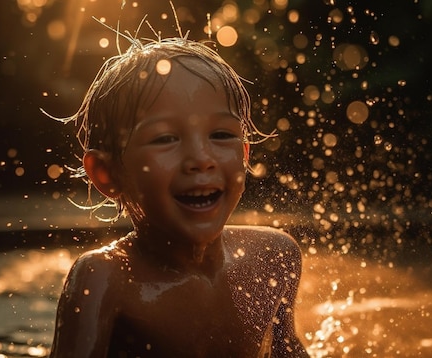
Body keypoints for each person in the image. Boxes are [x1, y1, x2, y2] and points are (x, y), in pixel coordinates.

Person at [47, 34, 309, 357]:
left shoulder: (273, 257)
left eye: (221, 134)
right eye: (166, 138)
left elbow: (288, 351)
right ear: (107, 174)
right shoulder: (105, 282)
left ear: (244, 155)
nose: (201, 158)